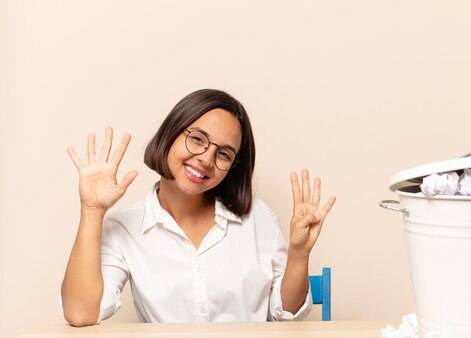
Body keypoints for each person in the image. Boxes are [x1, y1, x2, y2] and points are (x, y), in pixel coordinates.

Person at [61, 89, 335, 326]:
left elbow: (287, 313)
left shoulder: (258, 217)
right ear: (171, 133)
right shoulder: (124, 228)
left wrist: (299, 253)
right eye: (198, 138)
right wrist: (92, 211)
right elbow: (82, 314)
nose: (206, 159)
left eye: (224, 154)